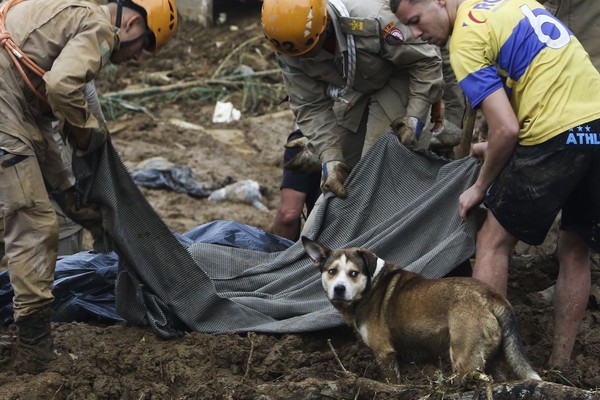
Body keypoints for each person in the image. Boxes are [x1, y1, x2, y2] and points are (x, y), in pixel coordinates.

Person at [391, 0, 600, 369]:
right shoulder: (510, 4)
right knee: (575, 248)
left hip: (556, 133)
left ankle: (486, 365)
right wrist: (499, 145)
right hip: (595, 126)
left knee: (492, 240)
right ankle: (560, 365)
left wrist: (481, 185)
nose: (417, 34)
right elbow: (542, 82)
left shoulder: (466, 40)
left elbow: (508, 128)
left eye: (416, 21)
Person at [0, 0, 177, 373]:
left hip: (13, 106)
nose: (139, 58)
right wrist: (87, 132)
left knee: (29, 206)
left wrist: (69, 193)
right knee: (34, 223)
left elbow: (40, 128)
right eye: (145, 46)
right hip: (5, 106)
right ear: (131, 23)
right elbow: (62, 88)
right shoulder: (98, 25)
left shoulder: (72, 14)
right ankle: (33, 344)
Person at [261, 0, 445, 199]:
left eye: (310, 51)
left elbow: (426, 60)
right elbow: (310, 106)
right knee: (339, 182)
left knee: (376, 173)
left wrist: (415, 118)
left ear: (326, 25)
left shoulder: (371, 16)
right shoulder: (288, 46)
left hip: (399, 77)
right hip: (354, 88)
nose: (305, 59)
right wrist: (330, 158)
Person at [272, 129, 322, 241]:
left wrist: (281, 256)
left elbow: (288, 214)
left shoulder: (304, 141)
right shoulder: (369, 144)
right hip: (367, 243)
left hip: (325, 247)